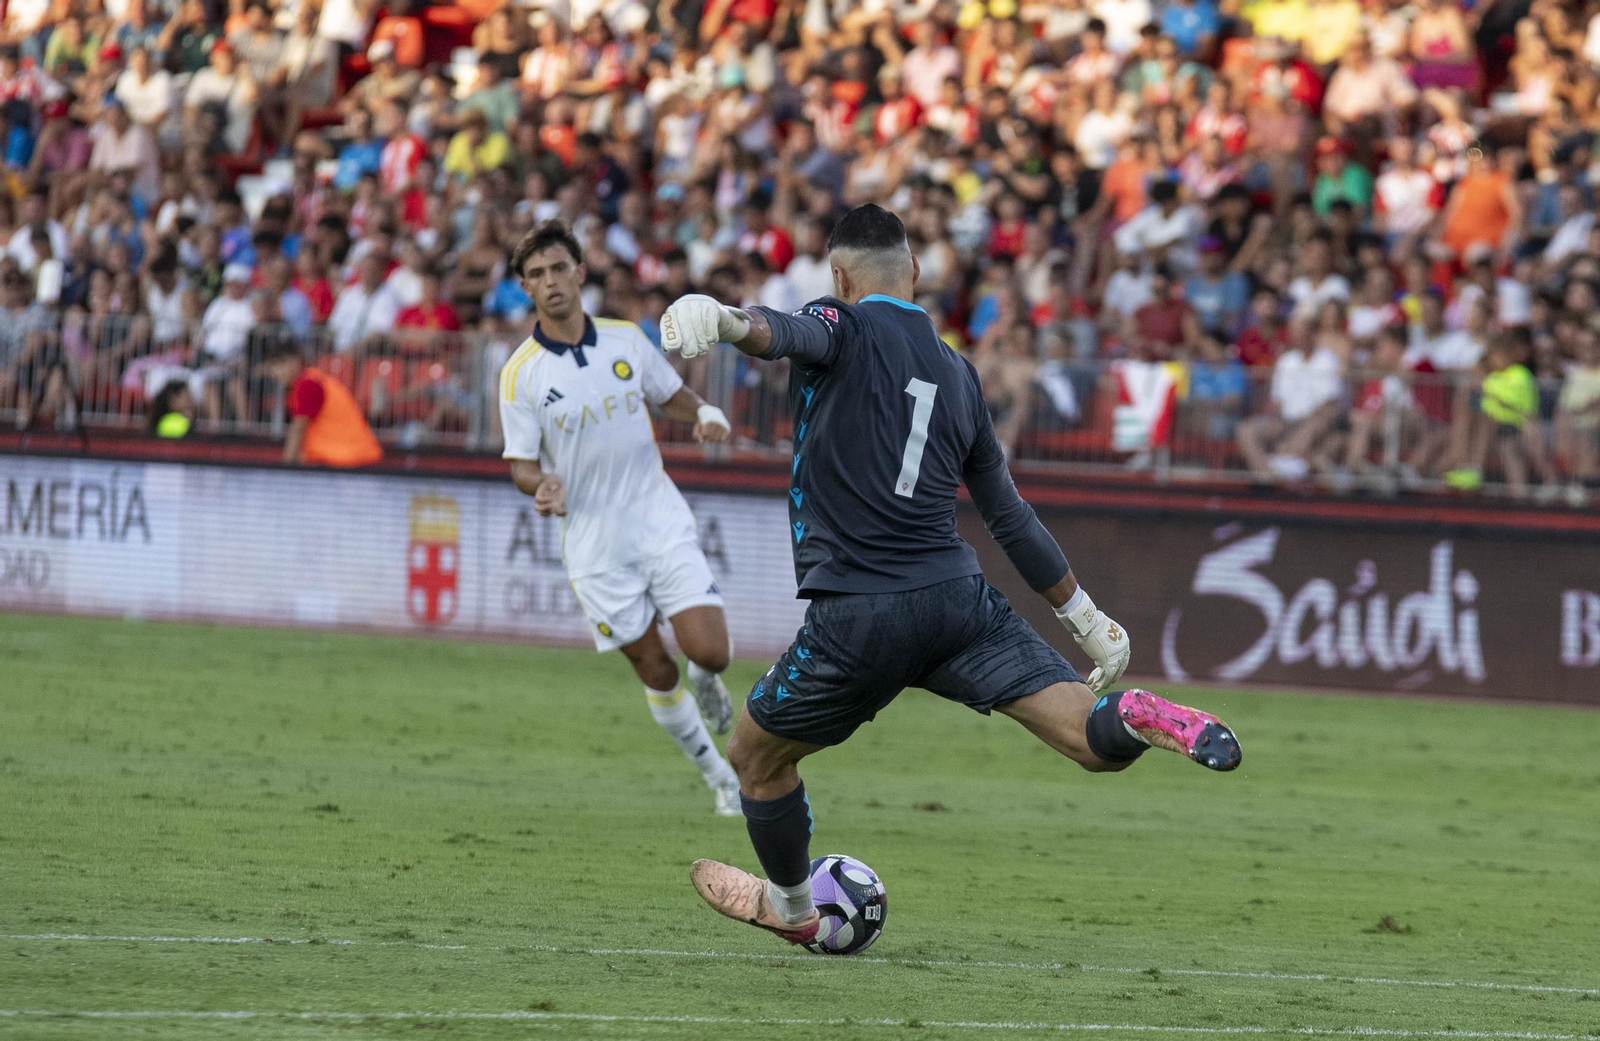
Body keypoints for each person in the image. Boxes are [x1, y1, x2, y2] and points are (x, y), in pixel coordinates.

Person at [660, 205, 1240, 944]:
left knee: (754, 756)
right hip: (960, 603)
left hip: (861, 613)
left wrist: (723, 318)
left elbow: (785, 333)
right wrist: (1087, 619)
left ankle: (796, 909)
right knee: (1088, 740)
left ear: (840, 279)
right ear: (917, 274)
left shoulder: (841, 324)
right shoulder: (959, 374)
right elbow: (1009, 515)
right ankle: (1134, 714)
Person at [497, 221, 745, 817]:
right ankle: (723, 780)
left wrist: (705, 410)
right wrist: (543, 485)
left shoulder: (625, 340)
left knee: (709, 653)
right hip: (594, 544)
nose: (550, 282)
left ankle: (708, 682)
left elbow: (670, 393)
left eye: (559, 268)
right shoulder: (521, 373)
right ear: (526, 289)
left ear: (581, 272)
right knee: (656, 669)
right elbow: (521, 465)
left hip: (657, 518)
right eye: (536, 275)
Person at [259, 341, 383, 468]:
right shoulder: (315, 379)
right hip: (350, 459)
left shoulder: (307, 384)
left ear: (295, 361)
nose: (275, 372)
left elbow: (298, 429)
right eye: (272, 367)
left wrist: (284, 469)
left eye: (280, 364)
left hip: (347, 462)